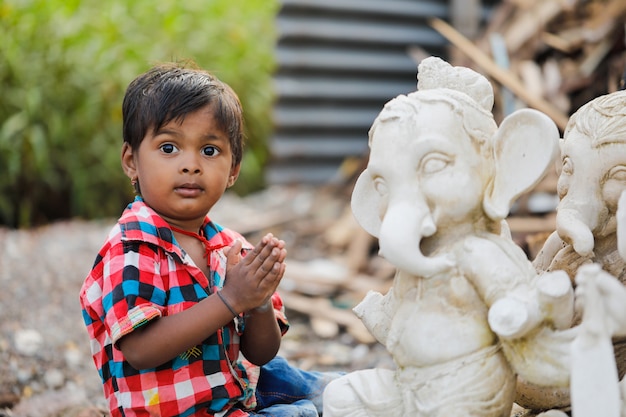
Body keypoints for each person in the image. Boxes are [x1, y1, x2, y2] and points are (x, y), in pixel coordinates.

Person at [79, 62, 338, 417]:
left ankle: (341, 395)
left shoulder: (230, 248)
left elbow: (260, 354)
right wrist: (232, 299)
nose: (191, 165)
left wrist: (258, 300)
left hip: (230, 395)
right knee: (300, 413)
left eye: (210, 150)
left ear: (233, 170)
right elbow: (140, 349)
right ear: (131, 161)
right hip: (174, 410)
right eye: (169, 148)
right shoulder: (131, 249)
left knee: (283, 375)